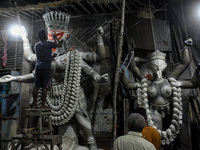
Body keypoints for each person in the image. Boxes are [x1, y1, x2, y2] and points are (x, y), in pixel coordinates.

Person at [33, 30, 61, 109]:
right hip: (46, 67)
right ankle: (43, 105)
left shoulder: (36, 45)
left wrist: (50, 56)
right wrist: (55, 37)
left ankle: (35, 105)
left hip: (38, 67)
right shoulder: (48, 43)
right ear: (45, 36)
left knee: (36, 87)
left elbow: (41, 55)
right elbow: (59, 44)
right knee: (45, 87)